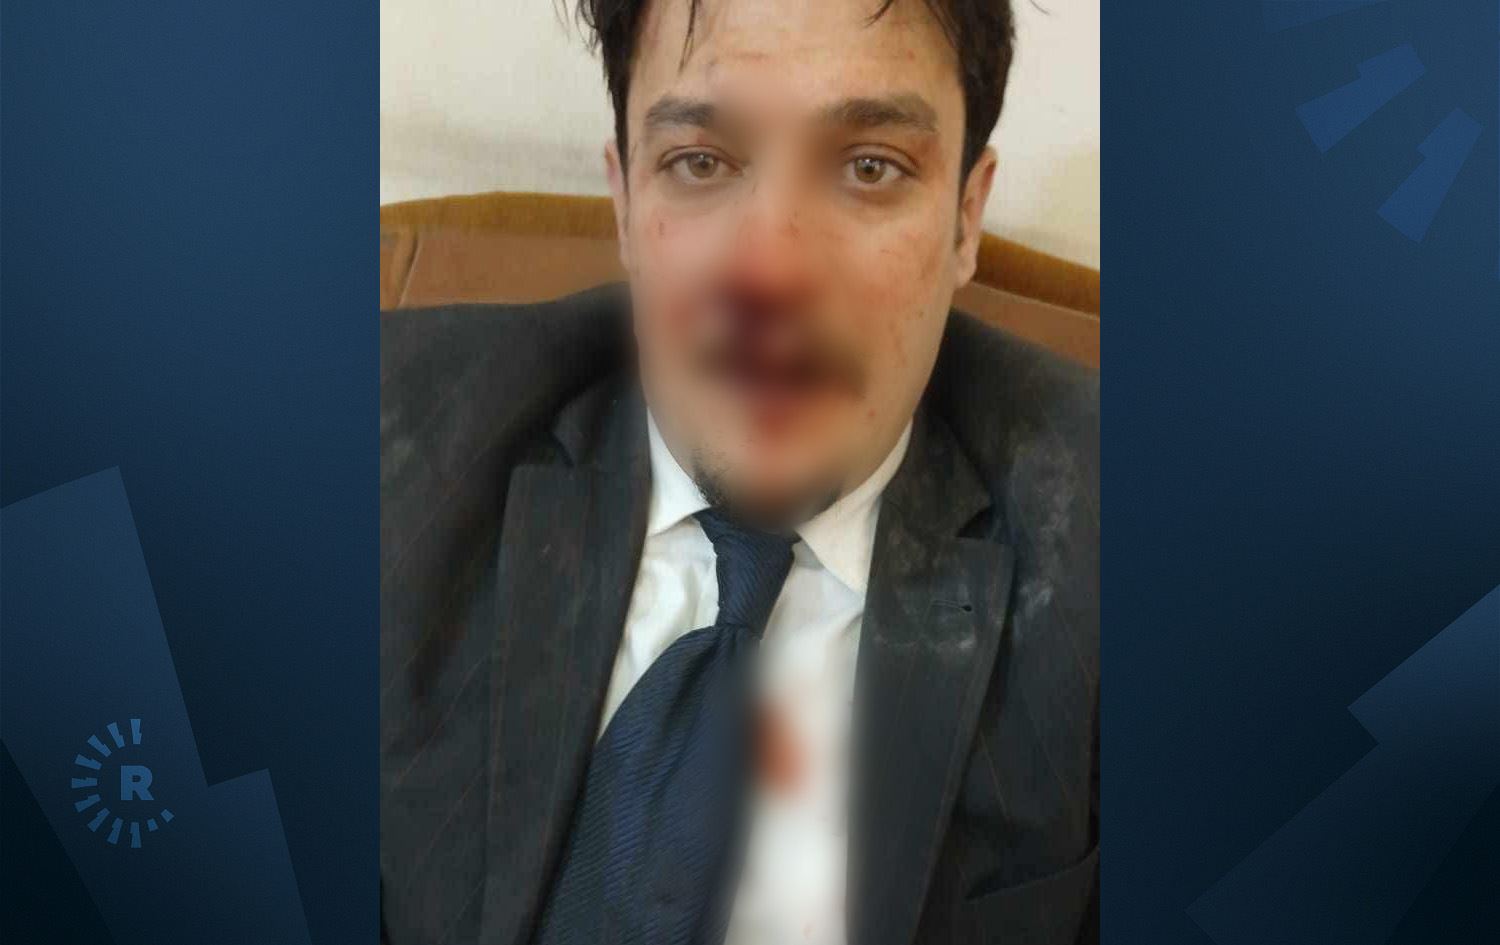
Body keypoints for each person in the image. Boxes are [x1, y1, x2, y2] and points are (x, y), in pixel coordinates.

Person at [379, 1, 1098, 942]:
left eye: (869, 166)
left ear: (967, 216)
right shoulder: (391, 447)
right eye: (701, 163)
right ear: (624, 202)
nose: (771, 278)